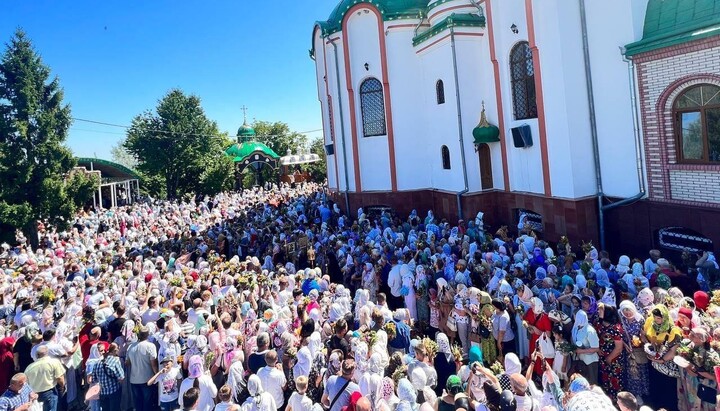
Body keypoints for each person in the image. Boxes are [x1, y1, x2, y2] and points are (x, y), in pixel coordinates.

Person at [642, 305, 681, 410]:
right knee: (655, 388)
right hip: (654, 363)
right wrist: (648, 347)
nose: (656, 320)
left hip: (666, 366)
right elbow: (643, 334)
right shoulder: (651, 323)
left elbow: (673, 351)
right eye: (655, 317)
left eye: (659, 318)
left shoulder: (674, 331)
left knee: (668, 391)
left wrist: (661, 360)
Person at [126, 326, 158, 411]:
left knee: (138, 403)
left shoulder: (130, 347)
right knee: (147, 403)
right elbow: (154, 364)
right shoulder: (151, 346)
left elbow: (127, 363)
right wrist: (157, 376)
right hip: (147, 379)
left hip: (134, 380)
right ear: (147, 335)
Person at [24, 346, 64, 411]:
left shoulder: (29, 367)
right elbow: (60, 378)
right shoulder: (54, 362)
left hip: (35, 395)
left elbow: (26, 384)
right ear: (47, 353)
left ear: (36, 355)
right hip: (50, 392)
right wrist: (62, 386)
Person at [88, 343, 125, 411]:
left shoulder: (97, 364)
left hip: (103, 393)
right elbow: (121, 378)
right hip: (114, 391)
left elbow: (93, 379)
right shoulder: (115, 361)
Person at [571, 310, 600, 386]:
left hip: (589, 361)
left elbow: (596, 348)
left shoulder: (590, 331)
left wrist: (581, 351)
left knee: (591, 383)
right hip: (579, 359)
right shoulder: (575, 328)